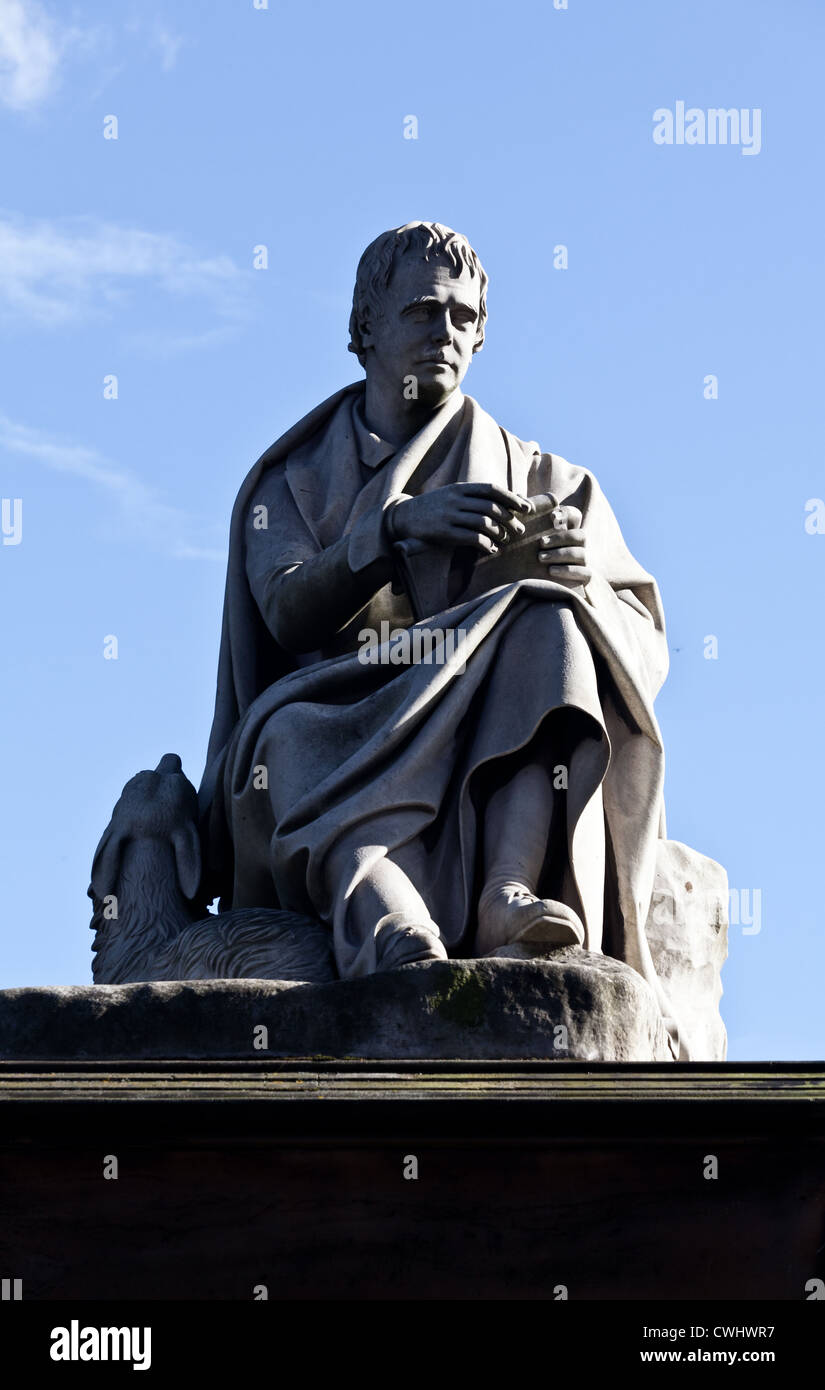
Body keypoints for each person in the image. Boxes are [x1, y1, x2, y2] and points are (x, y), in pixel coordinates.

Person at [198, 221, 684, 1057]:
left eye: (463, 317)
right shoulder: (292, 480)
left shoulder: (544, 477)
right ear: (364, 331)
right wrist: (387, 532)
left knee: (551, 622)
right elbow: (282, 612)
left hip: (485, 710)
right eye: (424, 312)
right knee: (289, 742)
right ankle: (387, 922)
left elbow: (642, 635)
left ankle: (508, 888)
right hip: (345, 704)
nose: (445, 333)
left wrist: (583, 583)